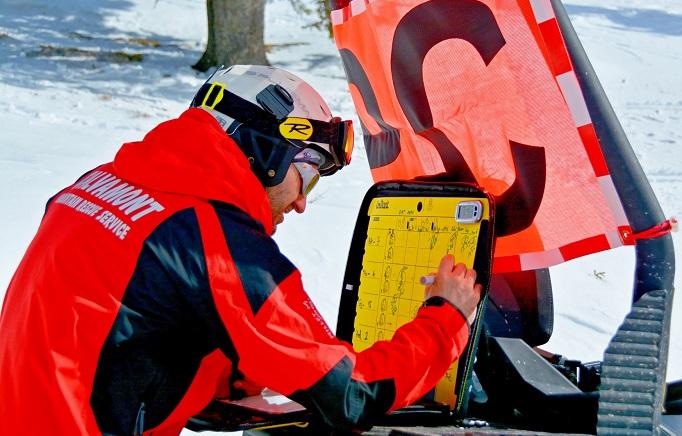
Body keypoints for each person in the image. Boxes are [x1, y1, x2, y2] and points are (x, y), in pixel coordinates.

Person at [0, 65, 481, 435]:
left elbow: (127, 326)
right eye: (307, 174)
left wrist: (237, 369)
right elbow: (351, 394)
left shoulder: (97, 185)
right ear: (266, 151)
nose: (300, 202)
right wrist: (447, 319)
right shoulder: (214, 242)